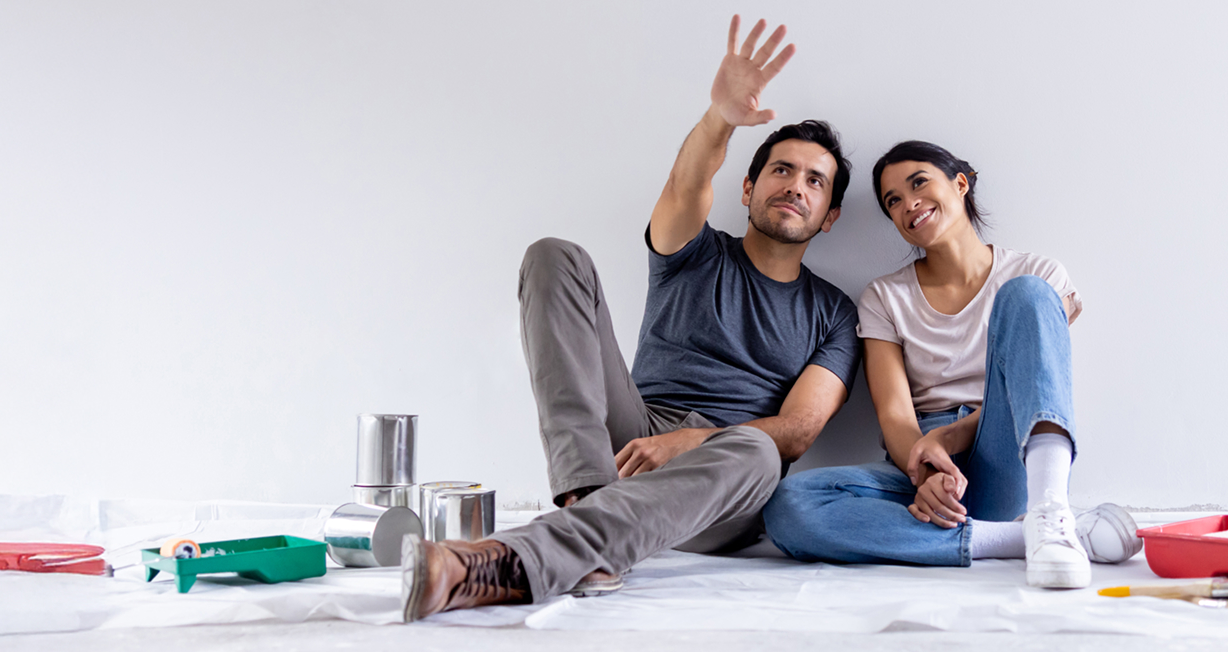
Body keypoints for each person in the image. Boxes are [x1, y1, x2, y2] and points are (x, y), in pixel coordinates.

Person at [404, 16, 860, 621]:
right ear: (747, 189)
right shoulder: (694, 252)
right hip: (630, 440)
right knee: (554, 255)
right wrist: (720, 116)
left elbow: (799, 430)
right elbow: (687, 181)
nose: (795, 186)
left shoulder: (834, 312)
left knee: (759, 451)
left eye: (815, 181)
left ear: (828, 215)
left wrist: (693, 442)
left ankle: (528, 554)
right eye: (781, 170)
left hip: (720, 482)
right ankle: (587, 502)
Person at [757, 140, 1141, 588]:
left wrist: (957, 433)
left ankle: (1050, 506)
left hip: (1006, 448)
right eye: (893, 201)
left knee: (1028, 293)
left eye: (919, 182)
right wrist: (927, 470)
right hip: (922, 459)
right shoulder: (884, 297)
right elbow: (897, 416)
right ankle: (1021, 537)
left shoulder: (1036, 272)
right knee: (789, 505)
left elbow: (1037, 385)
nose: (908, 204)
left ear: (960, 184)